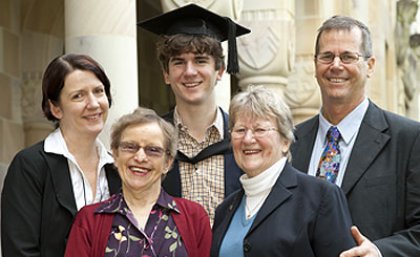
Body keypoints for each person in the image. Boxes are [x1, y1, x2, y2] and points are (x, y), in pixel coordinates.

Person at [290, 15, 420, 257]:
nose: (336, 65)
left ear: (370, 65)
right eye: (327, 56)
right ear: (315, 64)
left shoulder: (410, 140)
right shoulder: (290, 142)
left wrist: (380, 251)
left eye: (348, 56)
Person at [211, 86, 355, 257]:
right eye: (240, 130)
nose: (248, 139)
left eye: (260, 129)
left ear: (285, 141)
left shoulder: (320, 197)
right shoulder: (224, 210)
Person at [138, 3, 250, 223]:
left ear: (219, 71)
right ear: (166, 74)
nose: (189, 72)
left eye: (200, 61)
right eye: (179, 62)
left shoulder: (245, 140)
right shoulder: (150, 142)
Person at [1, 54, 121, 257]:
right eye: (78, 96)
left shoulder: (117, 168)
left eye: (98, 91)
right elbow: (19, 250)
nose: (93, 103)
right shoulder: (30, 166)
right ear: (55, 108)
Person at [64, 107, 212, 257]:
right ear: (115, 155)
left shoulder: (195, 218)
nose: (140, 157)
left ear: (167, 162)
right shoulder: (89, 221)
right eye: (130, 147)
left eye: (153, 149)